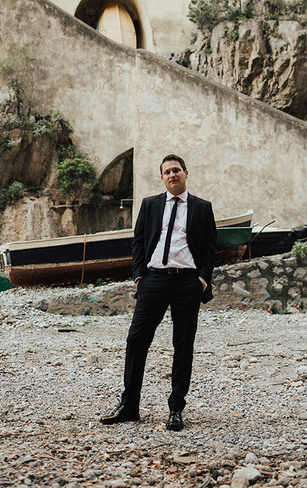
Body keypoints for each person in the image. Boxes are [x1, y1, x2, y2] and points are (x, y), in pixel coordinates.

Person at [100, 154, 217, 431]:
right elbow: (138, 241)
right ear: (162, 177)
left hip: (187, 281)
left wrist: (202, 279)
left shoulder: (202, 207)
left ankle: (176, 409)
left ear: (186, 173)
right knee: (136, 340)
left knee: (183, 345)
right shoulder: (150, 205)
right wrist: (139, 276)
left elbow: (211, 247)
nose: (172, 175)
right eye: (167, 172)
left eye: (176, 170)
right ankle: (129, 406)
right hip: (153, 280)